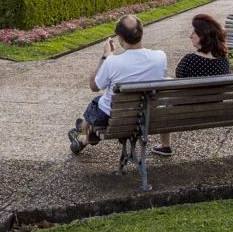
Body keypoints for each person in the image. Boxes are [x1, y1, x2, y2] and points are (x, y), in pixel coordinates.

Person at [68, 15, 167, 154]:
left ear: (120, 38)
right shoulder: (161, 57)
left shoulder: (112, 61)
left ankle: (83, 133)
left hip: (115, 119)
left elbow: (94, 86)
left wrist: (105, 56)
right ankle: (83, 131)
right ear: (141, 33)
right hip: (148, 116)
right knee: (99, 106)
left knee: (96, 104)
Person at [152, 14, 230, 156]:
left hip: (187, 111)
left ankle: (165, 145)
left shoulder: (190, 60)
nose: (190, 36)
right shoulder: (223, 60)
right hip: (215, 109)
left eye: (194, 33)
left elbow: (179, 82)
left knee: (163, 95)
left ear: (203, 36)